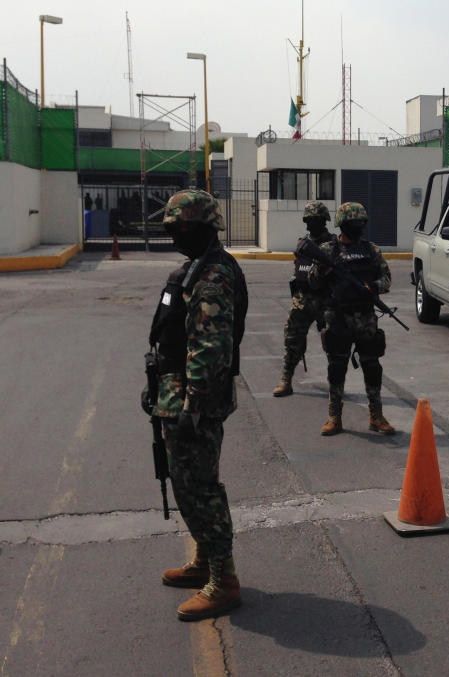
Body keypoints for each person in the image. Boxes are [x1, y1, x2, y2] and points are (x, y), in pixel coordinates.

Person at [149, 189, 248, 621]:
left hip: (195, 402)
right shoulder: (195, 269)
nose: (173, 236)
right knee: (185, 484)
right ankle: (206, 562)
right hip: (175, 393)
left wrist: (192, 406)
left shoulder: (214, 276)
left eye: (179, 228)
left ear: (202, 228)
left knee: (201, 490)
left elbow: (210, 349)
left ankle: (223, 581)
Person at [308, 202, 395, 436]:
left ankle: (376, 416)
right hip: (338, 317)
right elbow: (313, 283)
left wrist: (371, 287)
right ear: (342, 224)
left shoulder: (372, 250)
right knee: (336, 368)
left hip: (366, 317)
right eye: (353, 224)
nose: (358, 228)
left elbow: (386, 279)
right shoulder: (327, 250)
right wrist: (323, 273)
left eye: (361, 223)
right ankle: (334, 417)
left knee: (372, 367)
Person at [273, 201, 334, 396]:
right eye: (308, 220)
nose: (311, 224)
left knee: (332, 342)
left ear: (323, 221)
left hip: (326, 300)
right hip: (302, 300)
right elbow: (298, 269)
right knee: (292, 340)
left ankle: (335, 380)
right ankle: (286, 380)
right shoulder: (302, 243)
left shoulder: (333, 245)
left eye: (315, 220)